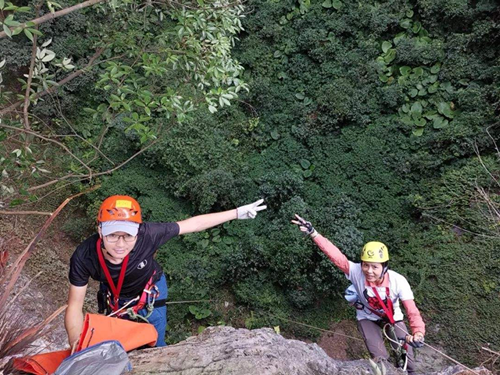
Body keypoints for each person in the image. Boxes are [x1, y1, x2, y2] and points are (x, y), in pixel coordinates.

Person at [65, 195, 266, 349]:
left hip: (151, 292)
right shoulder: (84, 256)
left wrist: (237, 213)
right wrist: (77, 346)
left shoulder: (148, 235)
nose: (120, 245)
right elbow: (75, 305)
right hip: (118, 298)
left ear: (138, 231)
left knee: (154, 339)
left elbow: (192, 224)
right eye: (112, 236)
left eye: (128, 236)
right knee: (122, 343)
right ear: (100, 231)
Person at [291, 214, 425, 374]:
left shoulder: (398, 281)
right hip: (367, 317)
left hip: (392, 317)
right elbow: (335, 256)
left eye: (375, 267)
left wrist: (418, 333)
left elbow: (412, 310)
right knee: (380, 359)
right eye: (365, 265)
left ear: (385, 267)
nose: (369, 271)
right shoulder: (355, 271)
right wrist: (314, 233)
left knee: (408, 360)